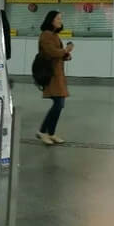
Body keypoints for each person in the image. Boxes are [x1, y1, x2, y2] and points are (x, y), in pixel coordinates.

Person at [36, 10, 73, 145]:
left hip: (57, 74)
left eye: (60, 18)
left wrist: (66, 55)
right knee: (58, 104)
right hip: (51, 74)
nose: (60, 21)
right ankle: (42, 131)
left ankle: (51, 133)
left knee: (59, 104)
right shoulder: (46, 35)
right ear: (51, 20)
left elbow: (58, 53)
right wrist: (65, 50)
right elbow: (51, 52)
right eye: (58, 18)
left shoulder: (54, 35)